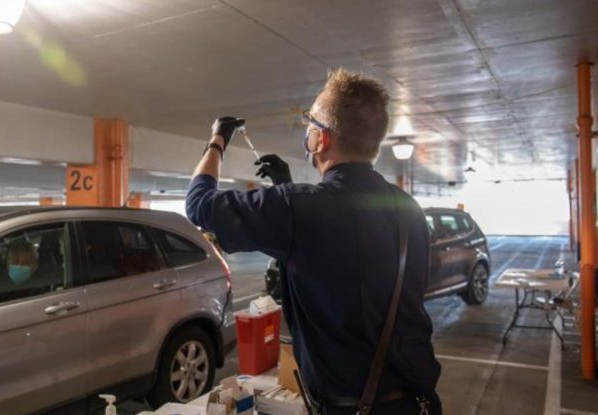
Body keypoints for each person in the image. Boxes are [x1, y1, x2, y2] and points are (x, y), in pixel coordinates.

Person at [186, 69, 442, 414]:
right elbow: (344, 263)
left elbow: (199, 204)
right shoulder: (407, 208)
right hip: (416, 399)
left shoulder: (300, 208)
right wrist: (285, 187)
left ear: (321, 139)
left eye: (309, 124)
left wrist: (217, 139)